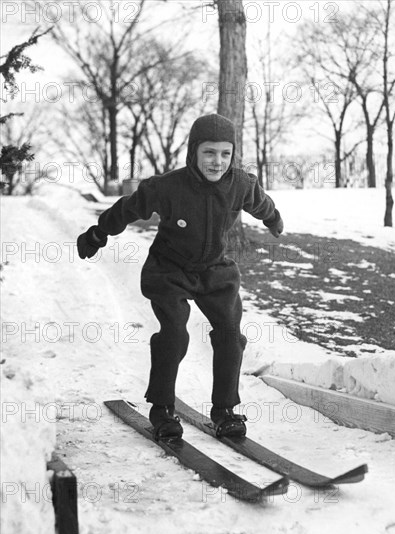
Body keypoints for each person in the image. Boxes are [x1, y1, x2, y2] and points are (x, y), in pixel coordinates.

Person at [77, 113, 283, 440]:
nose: (217, 161)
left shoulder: (241, 184)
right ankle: (162, 408)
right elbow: (129, 208)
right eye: (209, 153)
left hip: (215, 270)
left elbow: (261, 203)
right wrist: (98, 233)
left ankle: (225, 410)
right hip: (169, 269)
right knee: (175, 334)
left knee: (230, 335)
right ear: (193, 152)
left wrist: (274, 220)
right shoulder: (167, 187)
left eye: (225, 153)